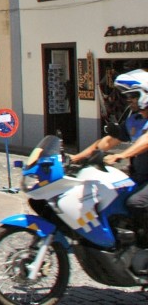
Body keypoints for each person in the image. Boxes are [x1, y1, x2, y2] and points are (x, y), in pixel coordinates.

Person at [73, 69, 148, 241]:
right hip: (140, 177)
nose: (129, 100)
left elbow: (146, 140)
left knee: (136, 202)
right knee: (112, 195)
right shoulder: (134, 120)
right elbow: (107, 142)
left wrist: (120, 156)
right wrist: (75, 158)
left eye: (133, 95)